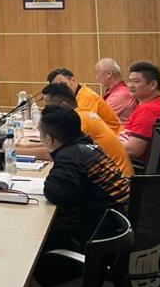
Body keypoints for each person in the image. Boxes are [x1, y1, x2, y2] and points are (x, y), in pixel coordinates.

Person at [39, 106, 130, 252]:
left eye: (40, 134)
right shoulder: (86, 145)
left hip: (100, 238)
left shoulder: (70, 157)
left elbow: (56, 194)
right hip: (118, 227)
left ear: (49, 139)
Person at [17, 83, 133, 177]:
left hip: (118, 182)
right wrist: (23, 147)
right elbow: (54, 145)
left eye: (49, 107)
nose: (46, 111)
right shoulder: (82, 114)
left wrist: (14, 151)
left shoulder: (78, 121)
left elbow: (53, 153)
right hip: (112, 177)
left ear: (63, 105)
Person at [119, 60, 160, 162]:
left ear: (152, 85)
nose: (130, 85)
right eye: (130, 81)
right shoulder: (154, 105)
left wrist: (105, 143)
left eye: (136, 81)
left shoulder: (149, 110)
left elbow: (133, 150)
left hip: (126, 165)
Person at [47, 68, 121, 134]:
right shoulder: (72, 98)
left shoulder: (87, 96)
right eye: (56, 88)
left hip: (114, 137)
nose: (60, 89)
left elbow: (82, 128)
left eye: (63, 84)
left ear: (73, 80)